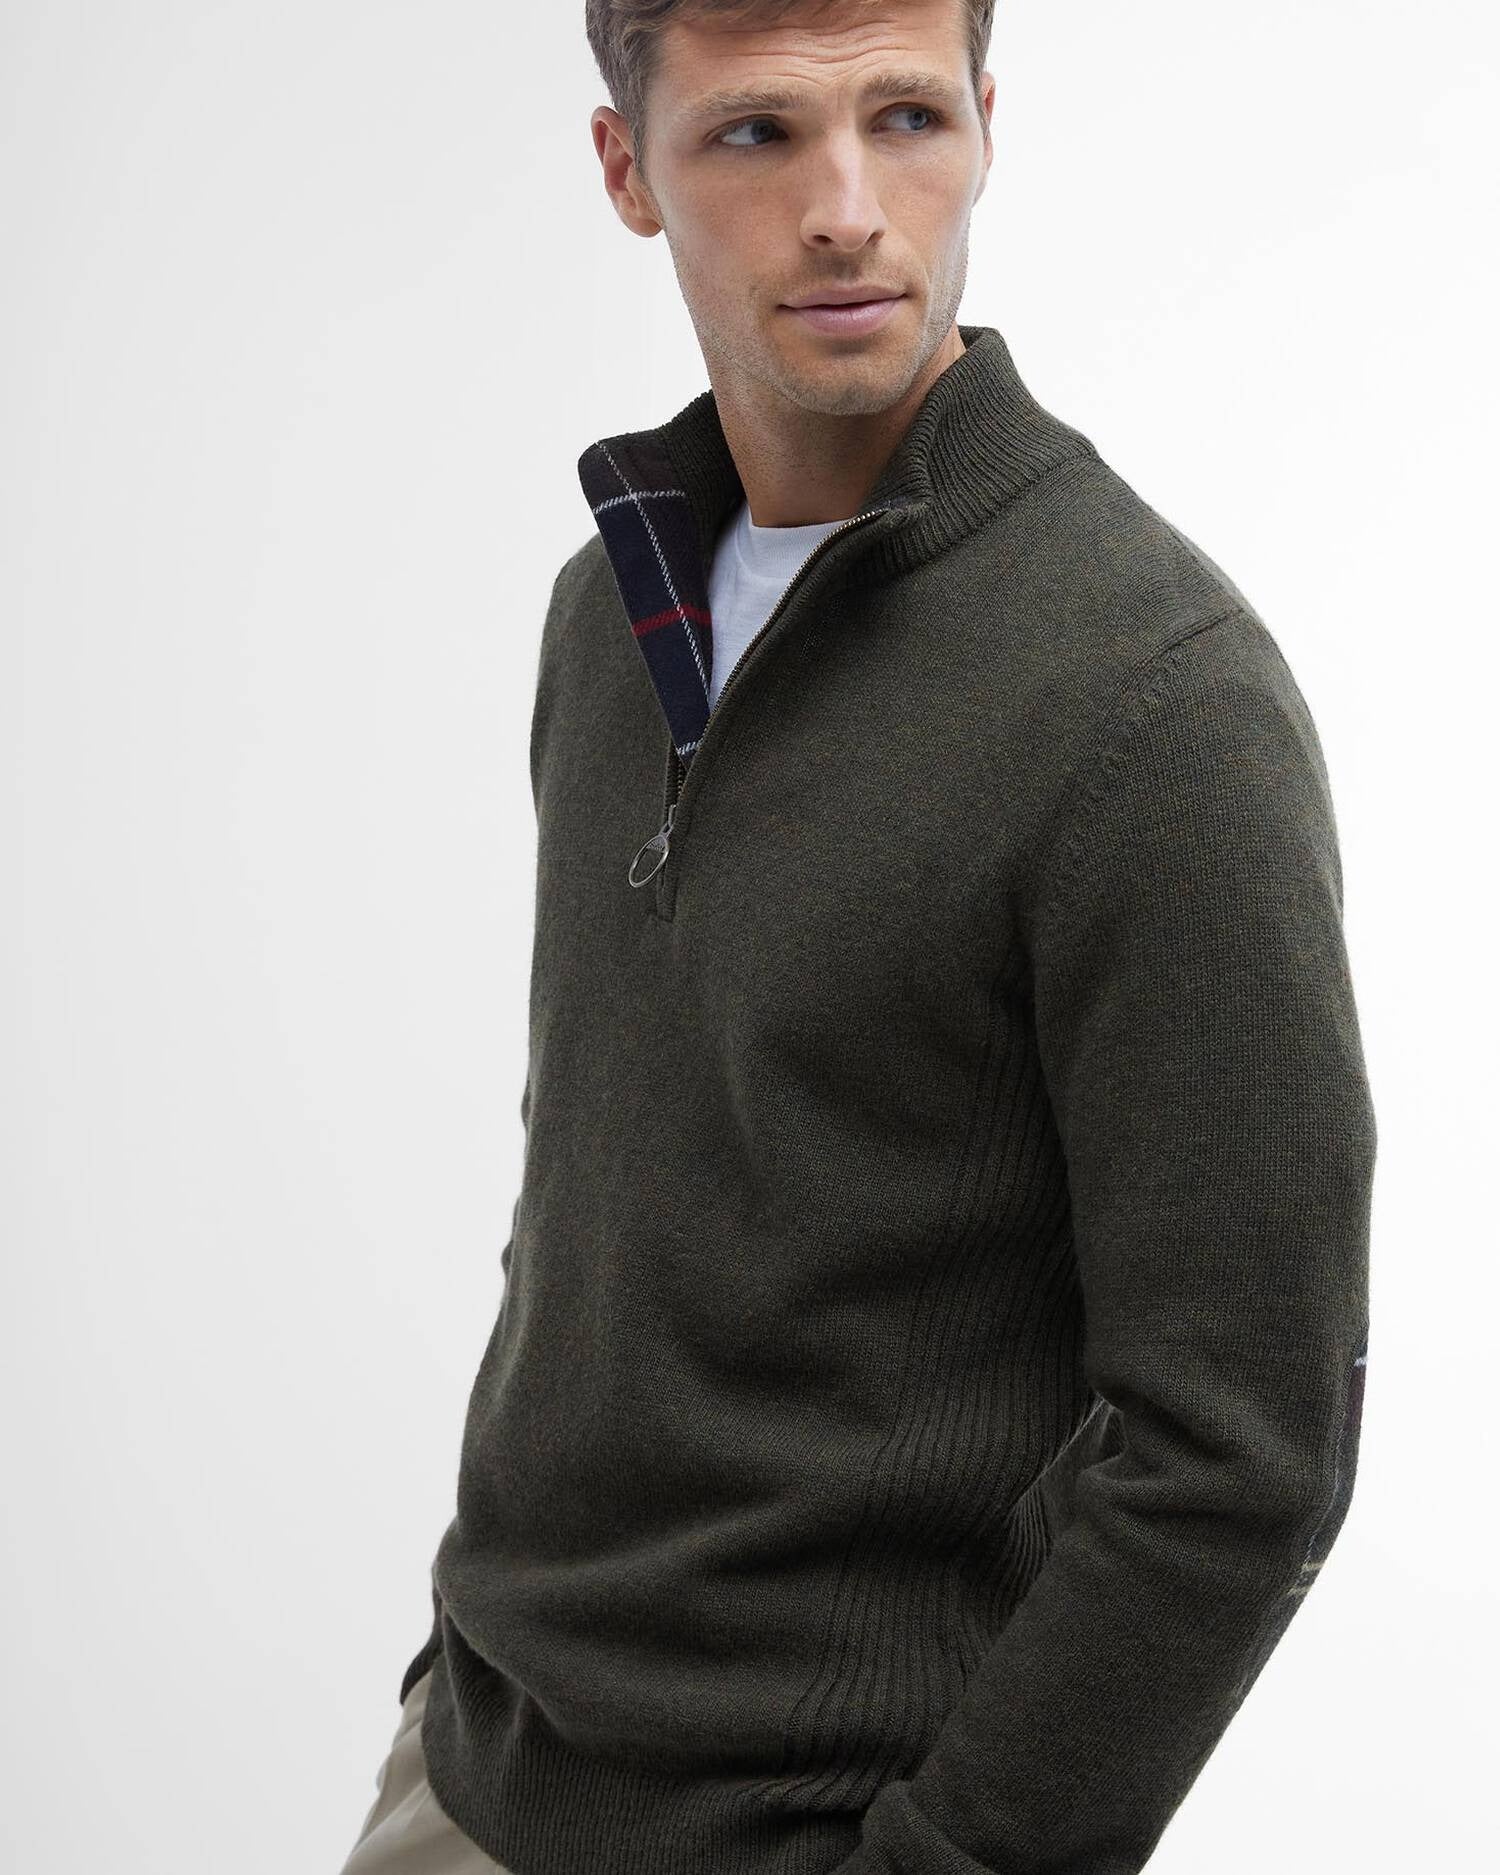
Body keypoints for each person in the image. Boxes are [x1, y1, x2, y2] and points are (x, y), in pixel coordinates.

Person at [340, 3, 1376, 1872]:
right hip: (469, 1779)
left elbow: (1242, 1454)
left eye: (904, 117)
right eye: (755, 134)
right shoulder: (612, 617)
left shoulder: (1153, 699)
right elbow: (598, 1202)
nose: (846, 208)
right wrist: (454, 1673)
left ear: (985, 124)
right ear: (625, 169)